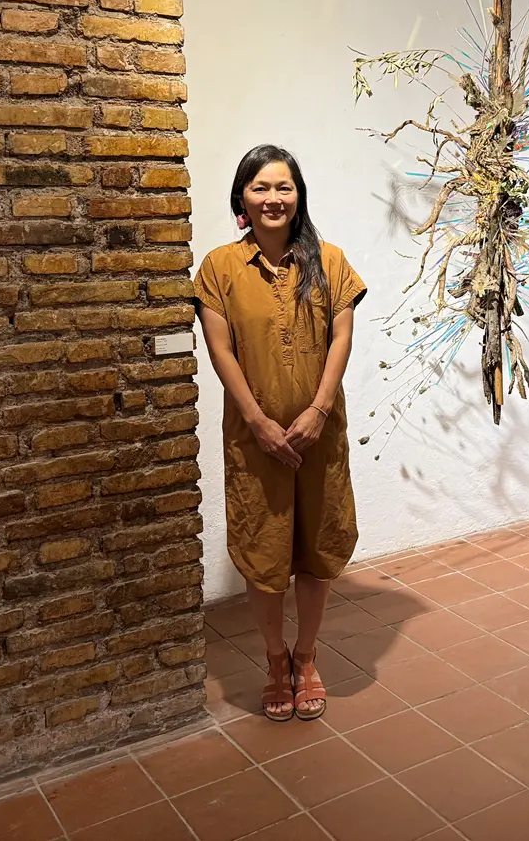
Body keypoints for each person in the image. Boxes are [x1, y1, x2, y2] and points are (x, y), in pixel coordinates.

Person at [193, 145, 367, 721]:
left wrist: (317, 411)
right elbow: (221, 352)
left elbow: (340, 340)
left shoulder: (332, 262)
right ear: (242, 197)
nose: (273, 199)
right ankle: (274, 661)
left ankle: (307, 658)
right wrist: (260, 422)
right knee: (266, 553)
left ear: (299, 196)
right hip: (256, 441)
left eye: (283, 188)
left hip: (320, 436)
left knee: (315, 549)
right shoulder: (219, 268)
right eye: (260, 188)